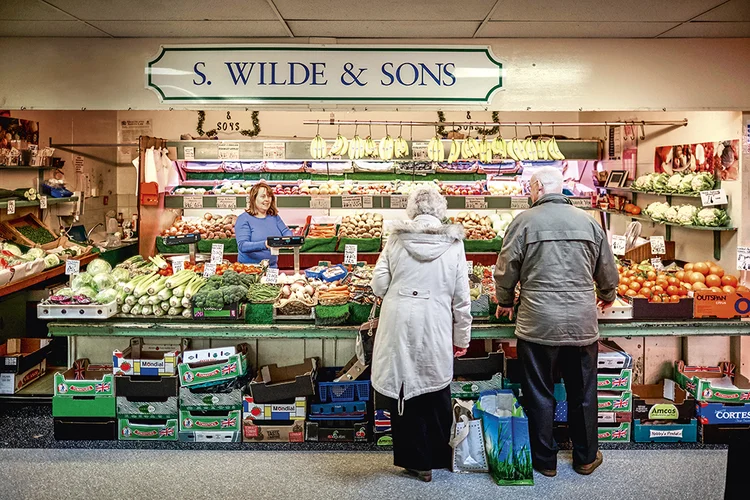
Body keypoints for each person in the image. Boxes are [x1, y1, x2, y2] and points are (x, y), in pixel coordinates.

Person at [493, 166, 619, 478]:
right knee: (583, 392)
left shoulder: (522, 222)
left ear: (536, 189)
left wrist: (505, 301)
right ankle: (586, 457)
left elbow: (506, 269)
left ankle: (545, 461)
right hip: (581, 323)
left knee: (539, 393)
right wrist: (608, 293)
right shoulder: (588, 223)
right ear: (561, 190)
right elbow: (607, 270)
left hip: (538, 322)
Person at [370, 186, 472, 483]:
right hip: (436, 322)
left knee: (405, 388)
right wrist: (461, 338)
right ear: (440, 210)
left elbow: (378, 285)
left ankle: (415, 462)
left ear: (412, 210)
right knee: (434, 385)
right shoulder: (453, 243)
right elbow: (462, 299)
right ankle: (435, 458)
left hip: (399, 322)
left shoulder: (395, 239)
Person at [234, 183, 291, 268]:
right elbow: (243, 245)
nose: (267, 199)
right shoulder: (243, 219)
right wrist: (265, 244)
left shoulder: (274, 217)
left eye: (269, 196)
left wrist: (289, 240)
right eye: (263, 196)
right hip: (250, 269)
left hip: (272, 268)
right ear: (254, 198)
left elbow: (285, 231)